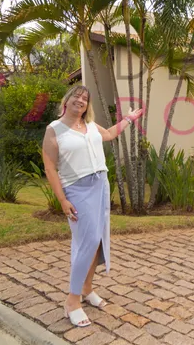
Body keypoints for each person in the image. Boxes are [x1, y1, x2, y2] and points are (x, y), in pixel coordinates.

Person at [42, 85, 143, 328]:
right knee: (86, 243)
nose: (81, 100)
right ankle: (72, 301)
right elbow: (50, 168)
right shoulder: (54, 130)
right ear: (66, 100)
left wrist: (129, 118)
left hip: (101, 185)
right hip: (77, 190)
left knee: (97, 241)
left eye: (85, 98)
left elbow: (108, 134)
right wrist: (63, 200)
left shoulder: (89, 126)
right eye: (76, 96)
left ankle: (87, 289)